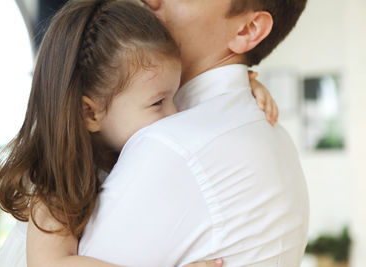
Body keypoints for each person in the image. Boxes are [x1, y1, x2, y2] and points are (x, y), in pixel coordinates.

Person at [0, 1, 277, 267]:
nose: (175, 113)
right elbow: (52, 265)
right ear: (90, 113)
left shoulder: (126, 137)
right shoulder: (56, 183)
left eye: (176, 96)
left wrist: (238, 87)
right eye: (158, 102)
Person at [76, 0, 309, 266]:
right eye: (157, 102)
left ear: (247, 30)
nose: (150, 1)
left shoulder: (170, 145)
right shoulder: (274, 136)